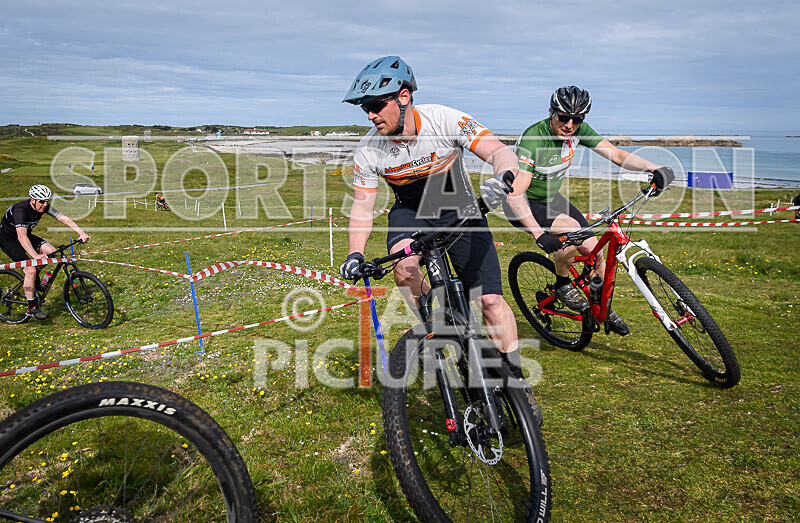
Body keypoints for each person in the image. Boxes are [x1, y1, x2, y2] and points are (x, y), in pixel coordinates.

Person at [338, 56, 542, 424]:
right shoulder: (368, 150)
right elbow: (363, 207)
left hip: (456, 205)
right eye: (364, 109)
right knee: (404, 263)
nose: (369, 116)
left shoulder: (445, 119)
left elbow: (499, 152)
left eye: (374, 106)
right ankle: (435, 330)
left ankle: (514, 377)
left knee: (492, 301)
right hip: (410, 211)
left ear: (403, 97)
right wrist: (354, 252)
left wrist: (504, 178)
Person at [503, 85, 675, 336]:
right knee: (572, 233)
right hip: (524, 203)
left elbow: (615, 154)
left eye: (577, 119)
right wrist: (539, 235)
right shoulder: (534, 138)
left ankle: (598, 308)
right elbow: (516, 193)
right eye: (563, 117)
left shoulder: (578, 131)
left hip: (552, 199)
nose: (569, 125)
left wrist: (654, 167)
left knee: (596, 253)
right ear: (551, 113)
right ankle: (562, 285)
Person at [0, 184, 90, 320]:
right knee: (30, 269)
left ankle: (35, 282)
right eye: (41, 202)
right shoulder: (20, 210)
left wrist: (81, 232)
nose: (44, 205)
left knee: (52, 252)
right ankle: (32, 307)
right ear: (32, 200)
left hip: (25, 236)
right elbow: (21, 236)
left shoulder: (44, 206)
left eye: (47, 201)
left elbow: (63, 218)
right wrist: (35, 256)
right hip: (8, 239)